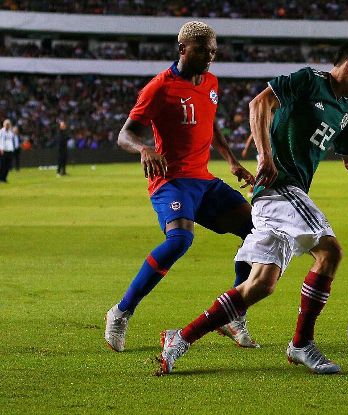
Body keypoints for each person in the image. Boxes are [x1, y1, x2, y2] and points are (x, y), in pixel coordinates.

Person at [156, 37, 348, 375]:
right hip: (280, 187)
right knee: (330, 252)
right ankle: (301, 344)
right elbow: (260, 104)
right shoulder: (309, 80)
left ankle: (179, 338)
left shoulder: (347, 112)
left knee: (260, 285)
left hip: (281, 197)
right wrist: (266, 158)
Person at [104, 21, 259, 353]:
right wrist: (144, 148)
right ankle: (121, 312)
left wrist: (231, 160)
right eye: (203, 50)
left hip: (202, 180)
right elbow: (124, 134)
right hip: (171, 181)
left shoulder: (212, 83)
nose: (210, 57)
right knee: (179, 240)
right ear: (183, 49)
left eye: (214, 51)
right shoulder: (159, 87)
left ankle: (235, 314)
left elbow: (210, 123)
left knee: (256, 230)